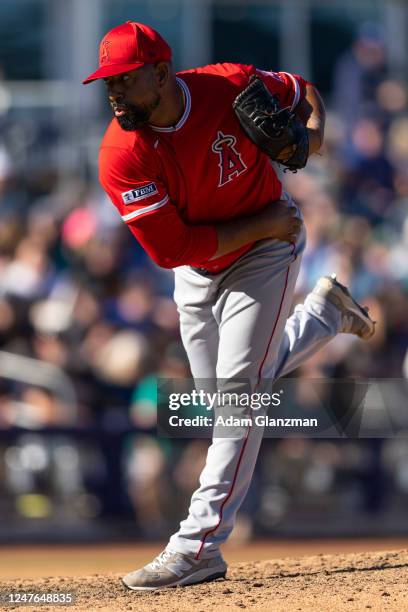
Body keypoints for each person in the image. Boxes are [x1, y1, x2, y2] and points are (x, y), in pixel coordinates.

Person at [83, 21, 375, 590]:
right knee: (223, 400)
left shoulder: (226, 85)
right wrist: (264, 219)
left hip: (266, 252)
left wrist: (309, 139)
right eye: (107, 82)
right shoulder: (120, 153)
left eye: (124, 79)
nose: (113, 92)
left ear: (162, 73)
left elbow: (301, 89)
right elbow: (173, 250)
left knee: (239, 397)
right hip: (201, 261)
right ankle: (322, 316)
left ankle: (198, 544)